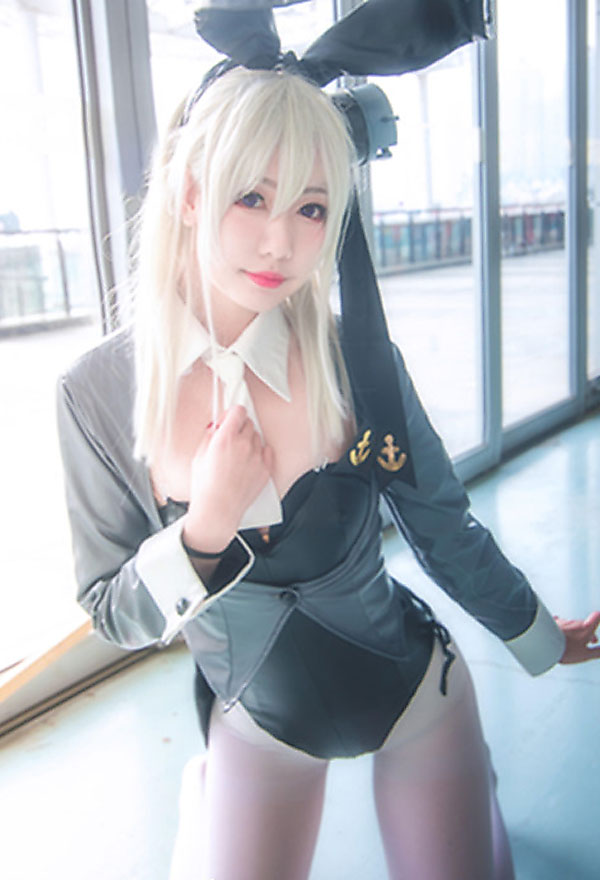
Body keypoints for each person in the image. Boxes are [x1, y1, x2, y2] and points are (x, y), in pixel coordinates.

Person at [57, 64, 600, 880]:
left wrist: (537, 634)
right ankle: (206, 794)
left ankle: (474, 790)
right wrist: (205, 529)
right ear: (191, 193)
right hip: (258, 722)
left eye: (311, 208)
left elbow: (441, 525)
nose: (282, 242)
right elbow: (111, 611)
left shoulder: (357, 359)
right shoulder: (98, 392)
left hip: (413, 692)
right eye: (251, 197)